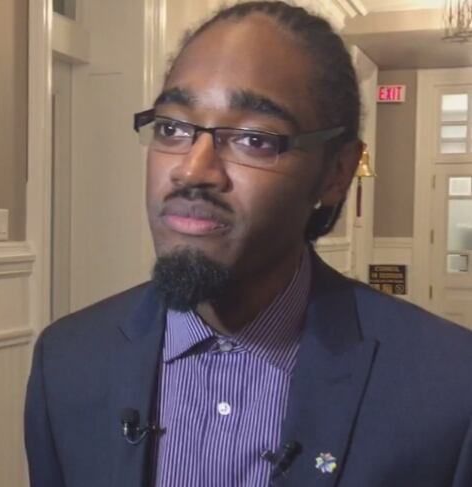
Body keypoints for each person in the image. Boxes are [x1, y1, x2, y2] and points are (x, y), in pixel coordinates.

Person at [24, 2, 472, 486]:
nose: (192, 170)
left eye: (255, 139)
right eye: (172, 128)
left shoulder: (449, 385)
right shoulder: (67, 361)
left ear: (336, 172)